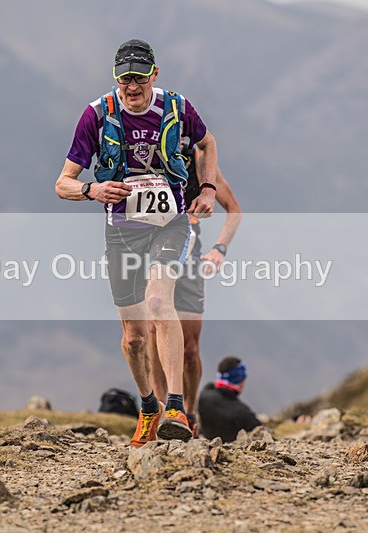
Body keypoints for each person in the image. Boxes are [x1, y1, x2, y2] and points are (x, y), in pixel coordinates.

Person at [55, 39, 220, 446]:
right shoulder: (97, 115)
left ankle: (176, 408)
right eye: (124, 79)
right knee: (133, 337)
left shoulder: (177, 108)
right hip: (122, 234)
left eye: (139, 79)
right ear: (116, 79)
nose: (132, 88)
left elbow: (207, 143)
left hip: (171, 225)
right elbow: (62, 183)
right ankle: (149, 406)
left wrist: (210, 189)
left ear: (154, 75)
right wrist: (91, 191)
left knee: (161, 302)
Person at [148, 142, 241, 437]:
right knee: (153, 331)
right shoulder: (139, 152)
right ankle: (164, 411)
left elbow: (234, 210)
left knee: (189, 348)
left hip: (189, 259)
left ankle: (188, 413)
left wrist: (219, 249)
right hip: (148, 253)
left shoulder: (199, 159)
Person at [198, 356, 261, 442]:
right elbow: (260, 431)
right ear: (241, 378)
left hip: (205, 441)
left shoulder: (205, 394)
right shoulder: (243, 412)